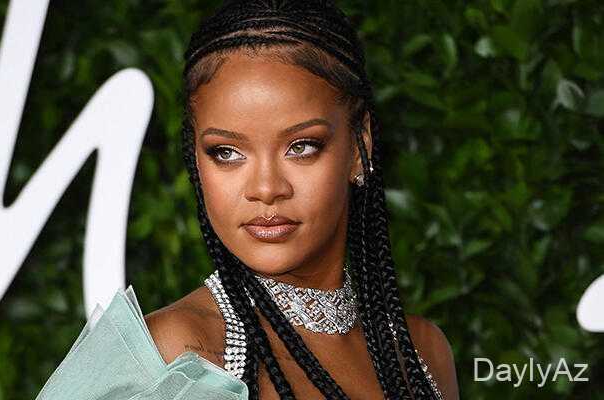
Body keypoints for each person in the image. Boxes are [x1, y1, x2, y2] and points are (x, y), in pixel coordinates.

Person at [144, 1, 459, 399]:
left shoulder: (423, 350)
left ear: (359, 145)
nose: (266, 188)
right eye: (226, 152)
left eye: (301, 146)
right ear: (196, 158)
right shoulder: (176, 354)